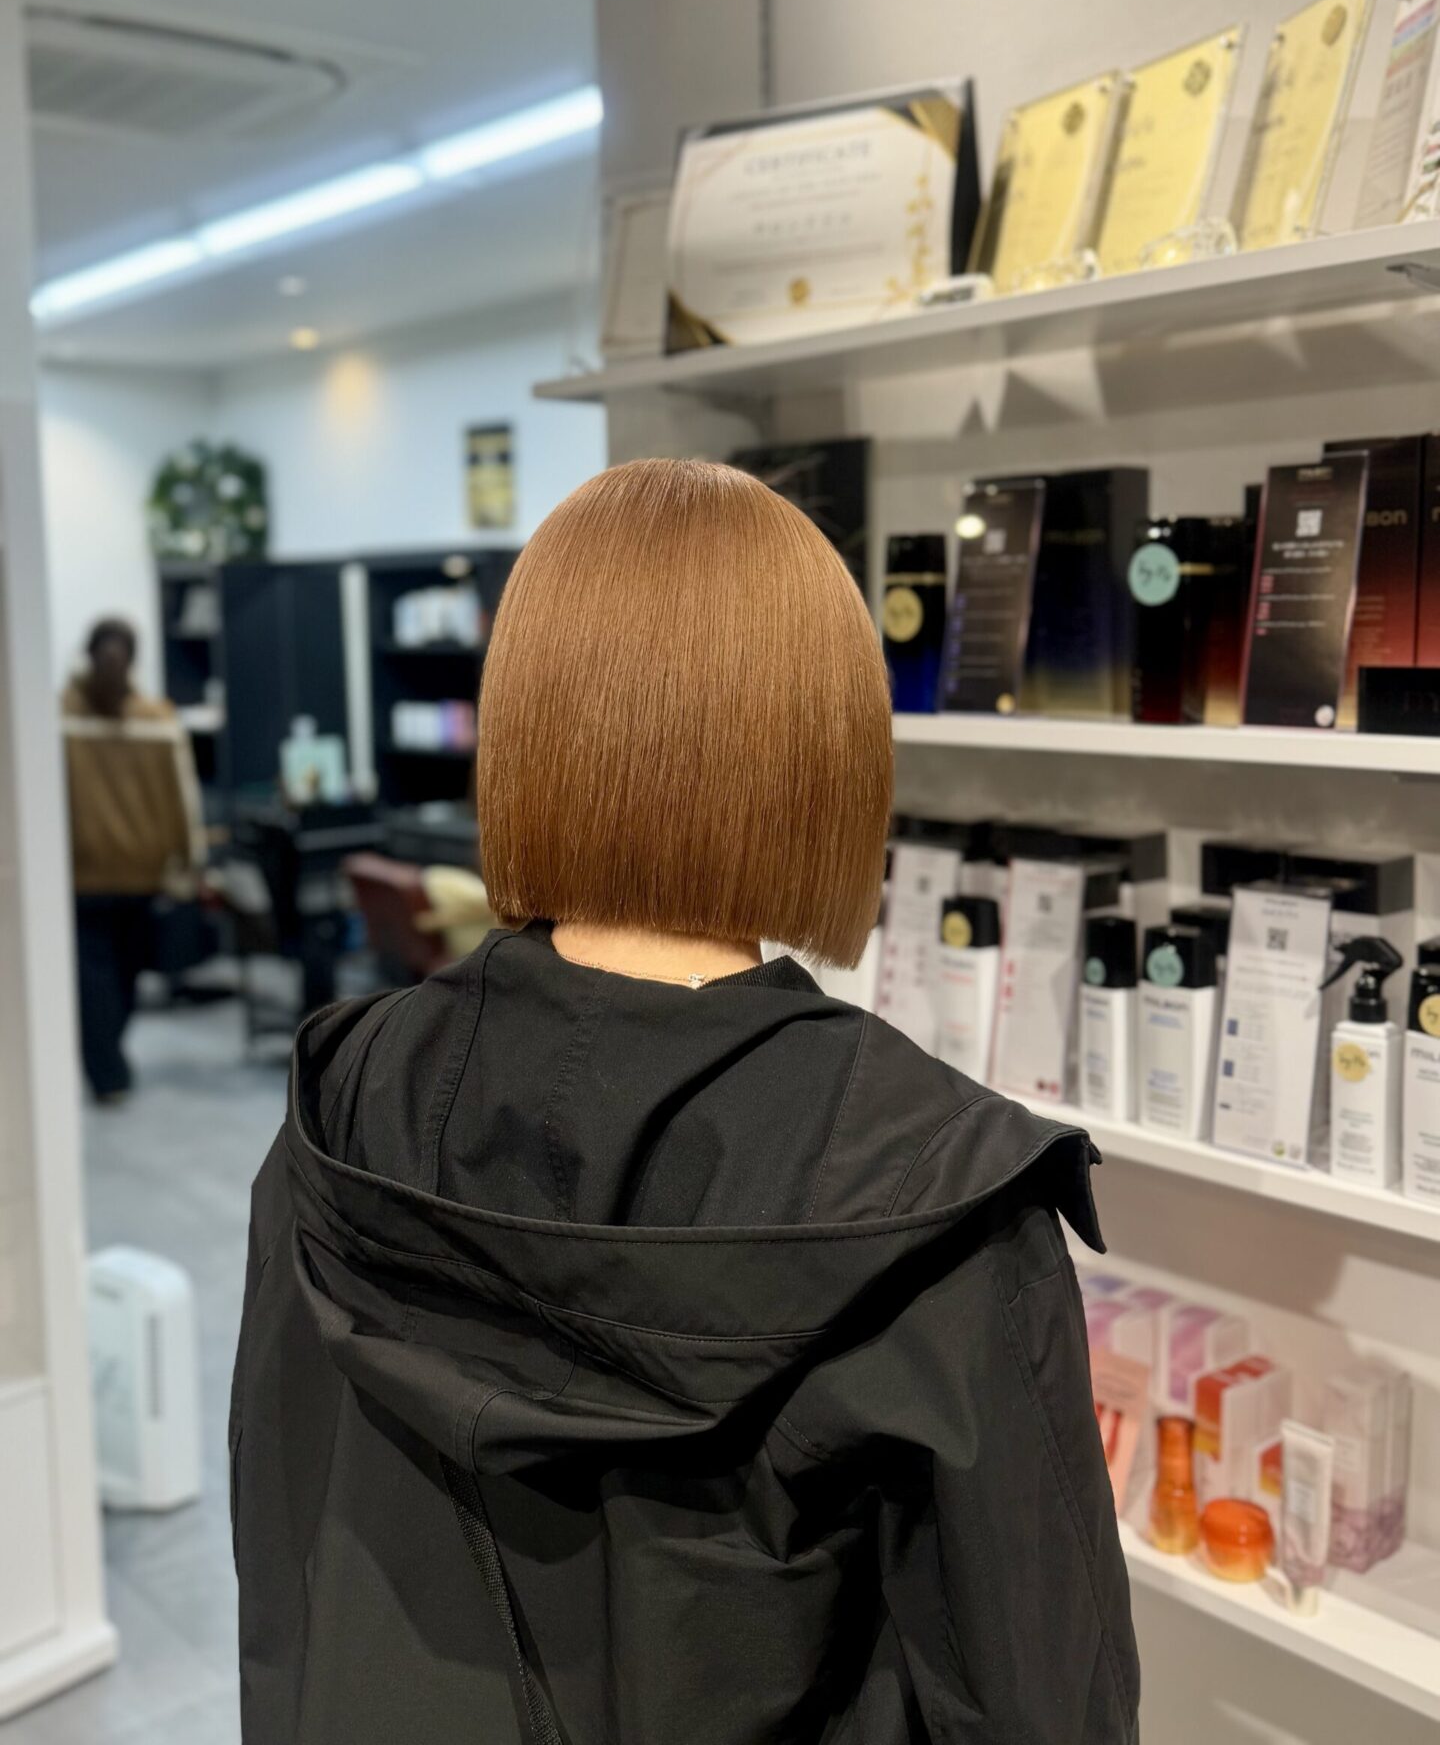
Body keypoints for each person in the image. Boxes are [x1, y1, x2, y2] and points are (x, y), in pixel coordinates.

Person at [231, 460, 1139, 1743]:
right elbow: (1043, 1708)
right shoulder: (937, 1213)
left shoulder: (341, 1103)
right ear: (828, 758)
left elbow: (283, 1552)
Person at [62, 617, 203, 1101]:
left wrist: (187, 858)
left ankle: (107, 1067)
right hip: (119, 875)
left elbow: (182, 798)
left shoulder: (66, 716)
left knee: (106, 979)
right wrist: (189, 859)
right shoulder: (152, 720)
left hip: (98, 875)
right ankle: (110, 1073)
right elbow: (184, 799)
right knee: (116, 978)